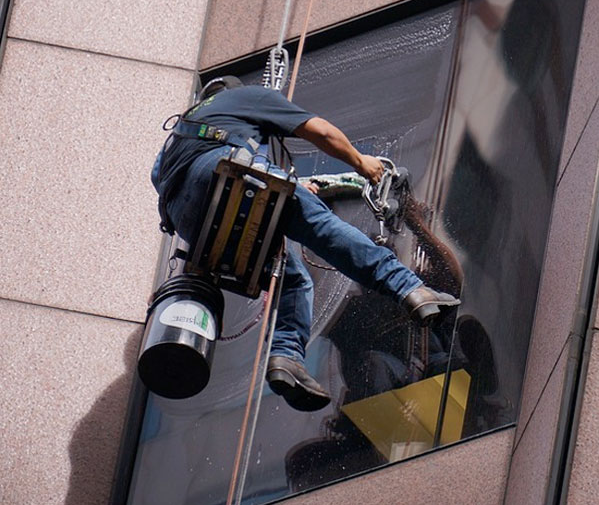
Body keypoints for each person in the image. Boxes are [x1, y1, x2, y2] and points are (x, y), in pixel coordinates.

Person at [151, 76, 459, 411]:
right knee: (323, 229)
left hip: (190, 221)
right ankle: (411, 289)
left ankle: (286, 359)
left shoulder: (174, 139)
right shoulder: (248, 98)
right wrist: (361, 162)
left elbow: (165, 181)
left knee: (292, 278)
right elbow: (321, 132)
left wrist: (293, 184)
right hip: (226, 172)